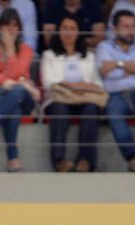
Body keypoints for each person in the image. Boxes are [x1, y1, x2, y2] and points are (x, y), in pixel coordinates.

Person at [96, 8, 135, 171]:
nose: (131, 31)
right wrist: (134, 68)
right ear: (115, 28)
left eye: (133, 26)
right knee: (114, 114)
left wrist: (117, 64)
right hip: (116, 94)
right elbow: (107, 72)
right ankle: (133, 156)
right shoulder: (103, 47)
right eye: (125, 26)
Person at [40, 14, 106, 171]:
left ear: (79, 32)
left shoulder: (89, 56)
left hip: (84, 98)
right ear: (58, 31)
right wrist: (76, 86)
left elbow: (98, 83)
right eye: (64, 28)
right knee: (59, 110)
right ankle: (59, 161)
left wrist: (86, 86)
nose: (68, 32)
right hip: (60, 98)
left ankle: (85, 160)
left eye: (72, 28)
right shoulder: (49, 55)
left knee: (91, 110)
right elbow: (48, 82)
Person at [0, 7, 40, 173]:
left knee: (18, 92)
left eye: (14, 25)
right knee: (15, 108)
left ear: (19, 29)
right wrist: (13, 81)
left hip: (23, 98)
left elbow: (19, 71)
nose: (11, 29)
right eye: (6, 25)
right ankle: (13, 159)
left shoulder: (26, 49)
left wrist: (10, 49)